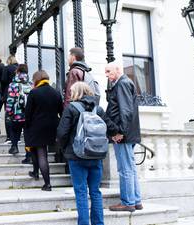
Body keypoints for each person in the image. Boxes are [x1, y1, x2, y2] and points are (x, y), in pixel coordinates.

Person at [57, 82, 106, 225]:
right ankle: (98, 223)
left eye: (71, 92)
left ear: (76, 93)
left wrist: (65, 148)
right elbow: (108, 128)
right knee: (95, 192)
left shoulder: (71, 108)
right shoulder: (99, 109)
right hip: (96, 155)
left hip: (77, 155)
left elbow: (61, 133)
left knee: (81, 192)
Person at [105, 62, 142, 212]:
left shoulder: (122, 84)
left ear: (118, 70)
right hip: (128, 134)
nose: (106, 75)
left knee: (125, 168)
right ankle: (136, 200)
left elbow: (125, 111)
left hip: (123, 135)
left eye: (108, 71)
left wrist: (120, 132)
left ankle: (128, 202)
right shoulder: (124, 83)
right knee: (130, 168)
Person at [25, 70, 63, 191]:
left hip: (36, 126)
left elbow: (28, 113)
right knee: (38, 150)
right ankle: (35, 172)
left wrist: (26, 126)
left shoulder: (34, 92)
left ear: (36, 79)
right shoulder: (56, 93)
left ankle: (47, 184)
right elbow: (61, 112)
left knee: (41, 154)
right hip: (51, 127)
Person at [5, 64, 32, 158]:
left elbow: (10, 99)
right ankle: (28, 154)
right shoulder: (31, 84)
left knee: (14, 130)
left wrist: (8, 112)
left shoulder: (13, 84)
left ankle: (14, 146)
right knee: (27, 134)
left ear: (18, 72)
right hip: (28, 114)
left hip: (17, 113)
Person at [2, 56, 19, 143]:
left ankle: (9, 137)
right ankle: (17, 137)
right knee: (17, 115)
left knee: (8, 115)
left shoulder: (7, 68)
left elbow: (4, 80)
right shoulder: (19, 68)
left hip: (8, 93)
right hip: (19, 94)